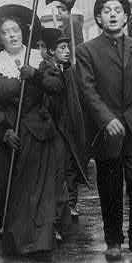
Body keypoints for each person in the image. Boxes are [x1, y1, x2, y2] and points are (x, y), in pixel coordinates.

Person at [76, 0, 132, 263]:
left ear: (127, 16)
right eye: (106, 10)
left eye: (117, 10)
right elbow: (87, 91)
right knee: (110, 186)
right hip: (106, 132)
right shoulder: (87, 51)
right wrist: (106, 118)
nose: (112, 14)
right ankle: (113, 240)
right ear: (99, 18)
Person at [0, 6, 65, 257]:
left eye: (15, 30)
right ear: (0, 38)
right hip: (10, 137)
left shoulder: (39, 59)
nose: (12, 35)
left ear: (22, 33)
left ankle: (41, 240)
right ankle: (19, 241)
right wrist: (4, 130)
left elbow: (57, 86)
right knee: (13, 191)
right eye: (6, 33)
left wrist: (35, 75)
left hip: (38, 134)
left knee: (39, 191)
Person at [40, 28, 89, 226]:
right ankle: (60, 210)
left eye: (67, 47)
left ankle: (71, 204)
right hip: (56, 128)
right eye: (62, 48)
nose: (67, 51)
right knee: (60, 168)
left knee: (71, 167)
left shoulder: (67, 70)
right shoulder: (46, 70)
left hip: (70, 127)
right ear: (51, 51)